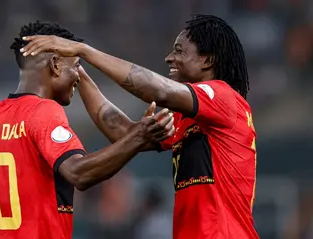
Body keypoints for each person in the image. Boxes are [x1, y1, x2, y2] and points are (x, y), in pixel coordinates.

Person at [21, 14, 259, 239]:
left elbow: (160, 91)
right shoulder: (189, 119)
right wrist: (76, 68)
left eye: (179, 50)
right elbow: (123, 132)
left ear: (208, 60)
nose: (169, 58)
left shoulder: (225, 98)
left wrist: (85, 50)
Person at [0, 21, 175, 239]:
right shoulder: (43, 111)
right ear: (55, 65)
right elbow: (79, 173)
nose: (78, 76)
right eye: (76, 66)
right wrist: (138, 137)